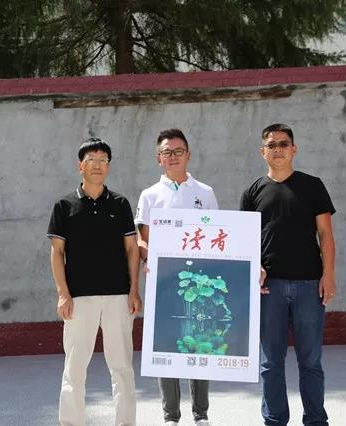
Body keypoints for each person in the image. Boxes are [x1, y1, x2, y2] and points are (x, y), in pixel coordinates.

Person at [240, 123, 336, 425]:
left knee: (311, 361)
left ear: (294, 149)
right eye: (271, 145)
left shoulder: (312, 185)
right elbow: (245, 239)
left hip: (310, 285)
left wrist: (329, 275)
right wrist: (255, 266)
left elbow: (325, 233)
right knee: (270, 362)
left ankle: (316, 420)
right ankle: (274, 420)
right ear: (262, 151)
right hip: (270, 288)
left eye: (283, 144)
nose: (278, 149)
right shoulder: (253, 192)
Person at [47, 137, 142, 426]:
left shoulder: (120, 204)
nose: (97, 165)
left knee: (122, 367)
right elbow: (57, 252)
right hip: (79, 298)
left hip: (118, 296)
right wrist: (63, 294)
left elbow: (132, 249)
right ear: (81, 166)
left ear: (108, 166)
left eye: (103, 160)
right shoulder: (64, 205)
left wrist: (134, 290)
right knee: (75, 369)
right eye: (91, 160)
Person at [136, 128, 217, 426]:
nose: (172, 156)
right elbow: (141, 239)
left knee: (199, 342)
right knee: (167, 344)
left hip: (200, 284)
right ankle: (171, 415)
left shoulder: (205, 192)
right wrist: (149, 258)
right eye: (166, 152)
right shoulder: (149, 195)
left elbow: (216, 234)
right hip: (164, 283)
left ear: (188, 154)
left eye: (178, 151)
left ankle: (201, 413)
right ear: (158, 158)